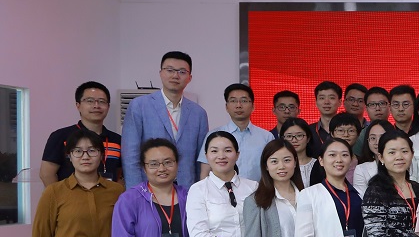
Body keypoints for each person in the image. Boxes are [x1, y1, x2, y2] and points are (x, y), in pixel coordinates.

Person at [122, 51, 209, 188]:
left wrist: (200, 192)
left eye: (182, 72)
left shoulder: (199, 113)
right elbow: (130, 155)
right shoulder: (139, 106)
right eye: (170, 70)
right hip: (149, 187)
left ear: (189, 77)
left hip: (186, 188)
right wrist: (136, 192)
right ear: (161, 73)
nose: (175, 76)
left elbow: (200, 159)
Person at [41, 81, 122, 186]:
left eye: (102, 101)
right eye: (90, 101)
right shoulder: (60, 136)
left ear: (108, 106)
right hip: (70, 196)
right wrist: (60, 195)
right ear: (78, 105)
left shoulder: (117, 140)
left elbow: (119, 174)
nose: (96, 105)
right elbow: (46, 174)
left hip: (107, 195)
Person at [199, 84, 275, 182]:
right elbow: (205, 172)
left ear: (253, 106)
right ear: (226, 107)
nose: (238, 105)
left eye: (244, 101)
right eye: (233, 101)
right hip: (222, 190)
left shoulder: (266, 137)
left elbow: (273, 169)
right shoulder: (214, 136)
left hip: (258, 190)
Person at [352, 119, 395, 197]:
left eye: (382, 137)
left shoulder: (402, 162)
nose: (377, 142)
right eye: (373, 138)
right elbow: (361, 198)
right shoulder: (361, 169)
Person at [278, 118, 323, 188]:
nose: (294, 140)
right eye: (289, 136)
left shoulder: (319, 165)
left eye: (299, 136)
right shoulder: (278, 165)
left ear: (308, 138)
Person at [352, 87, 392, 156]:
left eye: (382, 103)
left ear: (389, 106)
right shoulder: (361, 137)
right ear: (366, 109)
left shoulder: (397, 132)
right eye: (372, 104)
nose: (378, 108)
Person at [310, 81, 343, 153]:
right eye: (322, 98)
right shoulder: (308, 131)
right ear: (316, 102)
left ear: (340, 102)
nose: (326, 102)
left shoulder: (348, 130)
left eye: (332, 98)